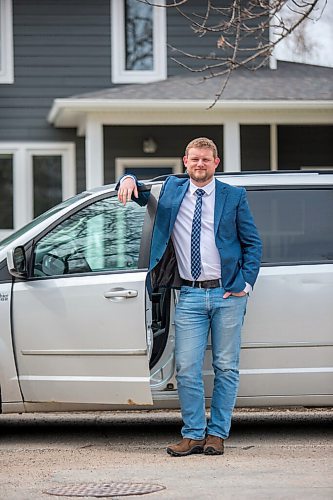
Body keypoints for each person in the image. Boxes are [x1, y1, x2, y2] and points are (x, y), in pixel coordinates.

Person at [117, 137, 262, 457]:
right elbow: (137, 189)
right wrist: (127, 177)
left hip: (227, 295)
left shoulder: (233, 196)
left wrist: (245, 284)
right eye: (194, 159)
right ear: (185, 161)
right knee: (186, 367)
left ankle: (218, 435)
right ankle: (194, 433)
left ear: (216, 163)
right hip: (190, 297)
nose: (200, 164)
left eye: (206, 160)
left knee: (226, 367)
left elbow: (253, 244)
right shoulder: (171, 189)